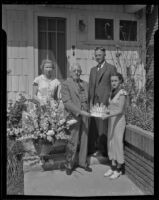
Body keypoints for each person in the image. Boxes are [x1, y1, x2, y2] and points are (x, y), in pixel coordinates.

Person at [61, 63, 92, 175]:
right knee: (72, 140)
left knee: (85, 139)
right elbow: (67, 102)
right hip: (73, 115)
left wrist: (90, 110)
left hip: (86, 115)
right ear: (70, 72)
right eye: (75, 70)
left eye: (79, 70)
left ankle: (83, 162)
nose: (77, 72)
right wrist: (79, 112)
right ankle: (69, 164)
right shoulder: (65, 84)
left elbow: (89, 99)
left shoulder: (86, 84)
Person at [88, 47, 117, 157]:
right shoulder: (93, 70)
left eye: (100, 55)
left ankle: (104, 152)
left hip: (105, 103)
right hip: (95, 104)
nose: (97, 57)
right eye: (96, 55)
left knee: (103, 128)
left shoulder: (111, 68)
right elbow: (91, 87)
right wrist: (90, 102)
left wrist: (111, 100)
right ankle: (97, 148)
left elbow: (114, 86)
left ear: (105, 55)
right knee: (95, 127)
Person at [102, 72, 127, 179]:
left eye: (115, 80)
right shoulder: (112, 92)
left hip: (119, 121)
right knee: (111, 142)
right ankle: (112, 166)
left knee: (117, 143)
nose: (113, 83)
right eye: (112, 81)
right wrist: (103, 112)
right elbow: (110, 107)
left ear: (120, 81)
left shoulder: (123, 93)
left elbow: (120, 110)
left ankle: (119, 168)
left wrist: (108, 115)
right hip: (111, 120)